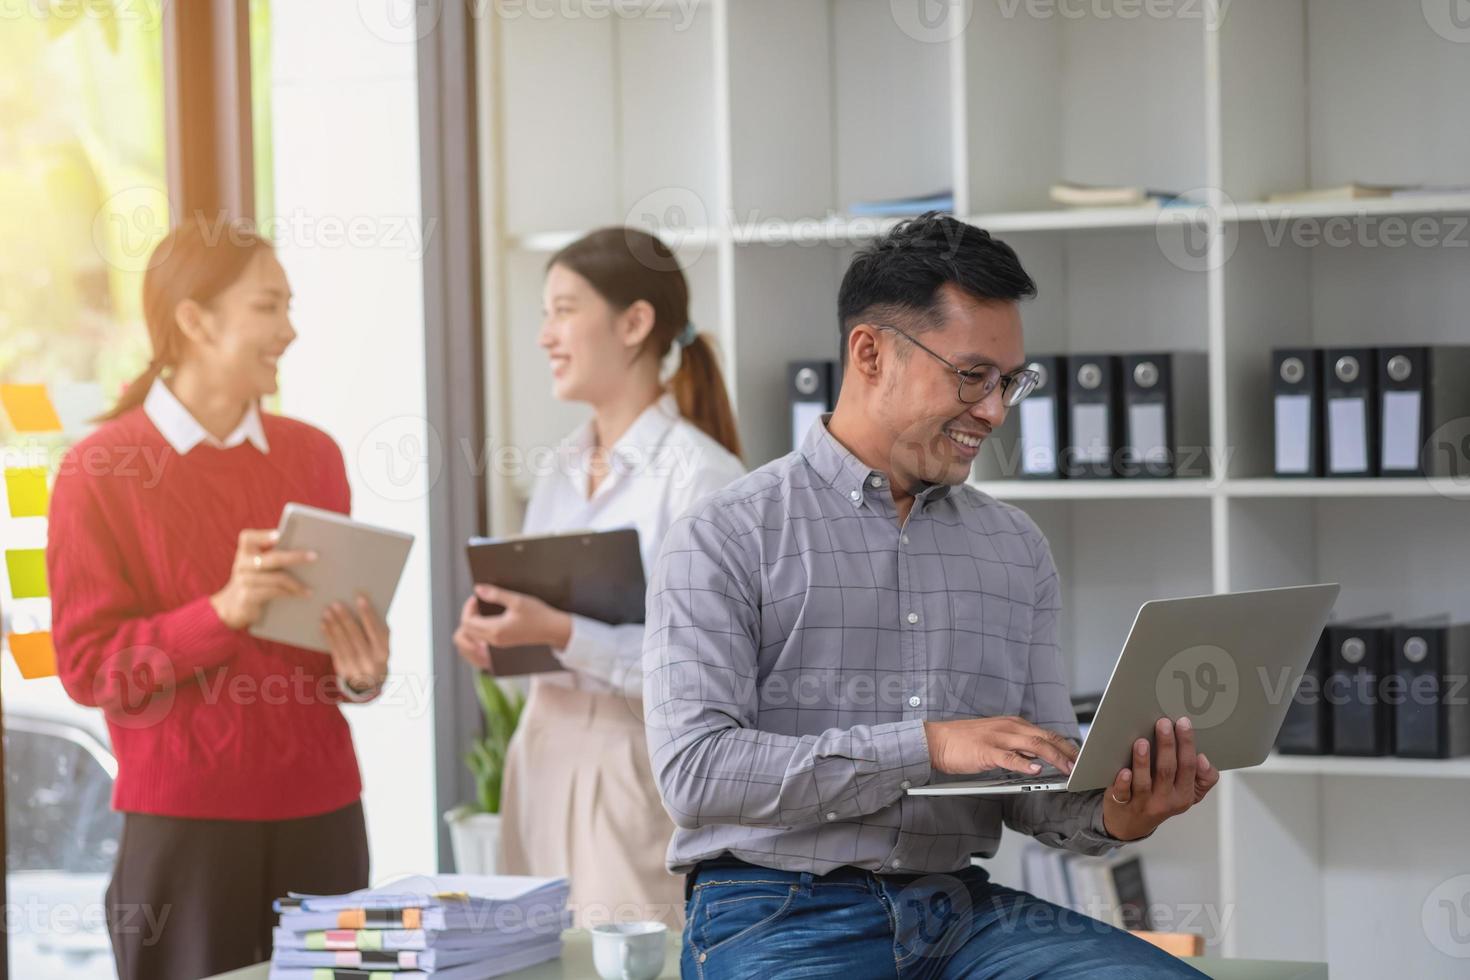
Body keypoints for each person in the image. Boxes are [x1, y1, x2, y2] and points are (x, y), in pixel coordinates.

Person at [643, 212, 1219, 978]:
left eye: (1010, 381)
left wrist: (1122, 811)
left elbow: (1037, 789)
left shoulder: (1015, 549)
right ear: (870, 352)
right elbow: (696, 769)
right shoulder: (724, 534)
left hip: (962, 911)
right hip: (773, 907)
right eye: (972, 375)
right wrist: (930, 745)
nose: (995, 411)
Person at [47, 219, 390, 980]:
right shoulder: (97, 471)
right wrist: (219, 614)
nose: (290, 330)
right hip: (186, 835)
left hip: (324, 819)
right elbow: (86, 667)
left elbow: (325, 660)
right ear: (194, 320)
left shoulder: (315, 456)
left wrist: (361, 669)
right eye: (268, 307)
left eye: (288, 306)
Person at [452, 228, 744, 928]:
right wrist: (501, 638)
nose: (545, 336)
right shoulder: (558, 468)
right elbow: (546, 627)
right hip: (540, 756)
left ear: (635, 322)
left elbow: (705, 675)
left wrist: (559, 632)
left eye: (563, 310)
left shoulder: (702, 476)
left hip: (633, 767)